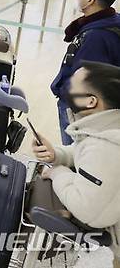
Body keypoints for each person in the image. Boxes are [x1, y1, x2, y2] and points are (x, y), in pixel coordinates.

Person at [33, 61, 120, 268]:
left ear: (90, 101)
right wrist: (57, 155)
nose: (68, 88)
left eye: (74, 85)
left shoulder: (106, 147)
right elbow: (87, 153)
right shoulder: (108, 128)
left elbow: (89, 210)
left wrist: (58, 173)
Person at [51, 0, 120, 145]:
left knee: (75, 152)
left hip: (77, 107)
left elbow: (88, 80)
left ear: (90, 0)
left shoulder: (96, 36)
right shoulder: (107, 22)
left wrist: (67, 96)